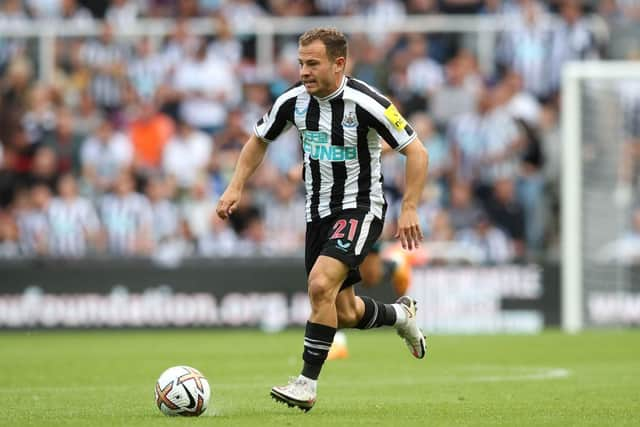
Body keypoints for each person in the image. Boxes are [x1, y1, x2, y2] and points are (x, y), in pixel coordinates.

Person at [216, 27, 429, 412]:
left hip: (361, 207)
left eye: (312, 63)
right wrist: (235, 186)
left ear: (339, 63)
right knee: (342, 311)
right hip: (317, 215)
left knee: (319, 285)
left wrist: (410, 206)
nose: (304, 71)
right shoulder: (293, 102)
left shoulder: (367, 102)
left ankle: (306, 383)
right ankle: (402, 315)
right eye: (301, 63)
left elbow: (417, 152)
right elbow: (258, 140)